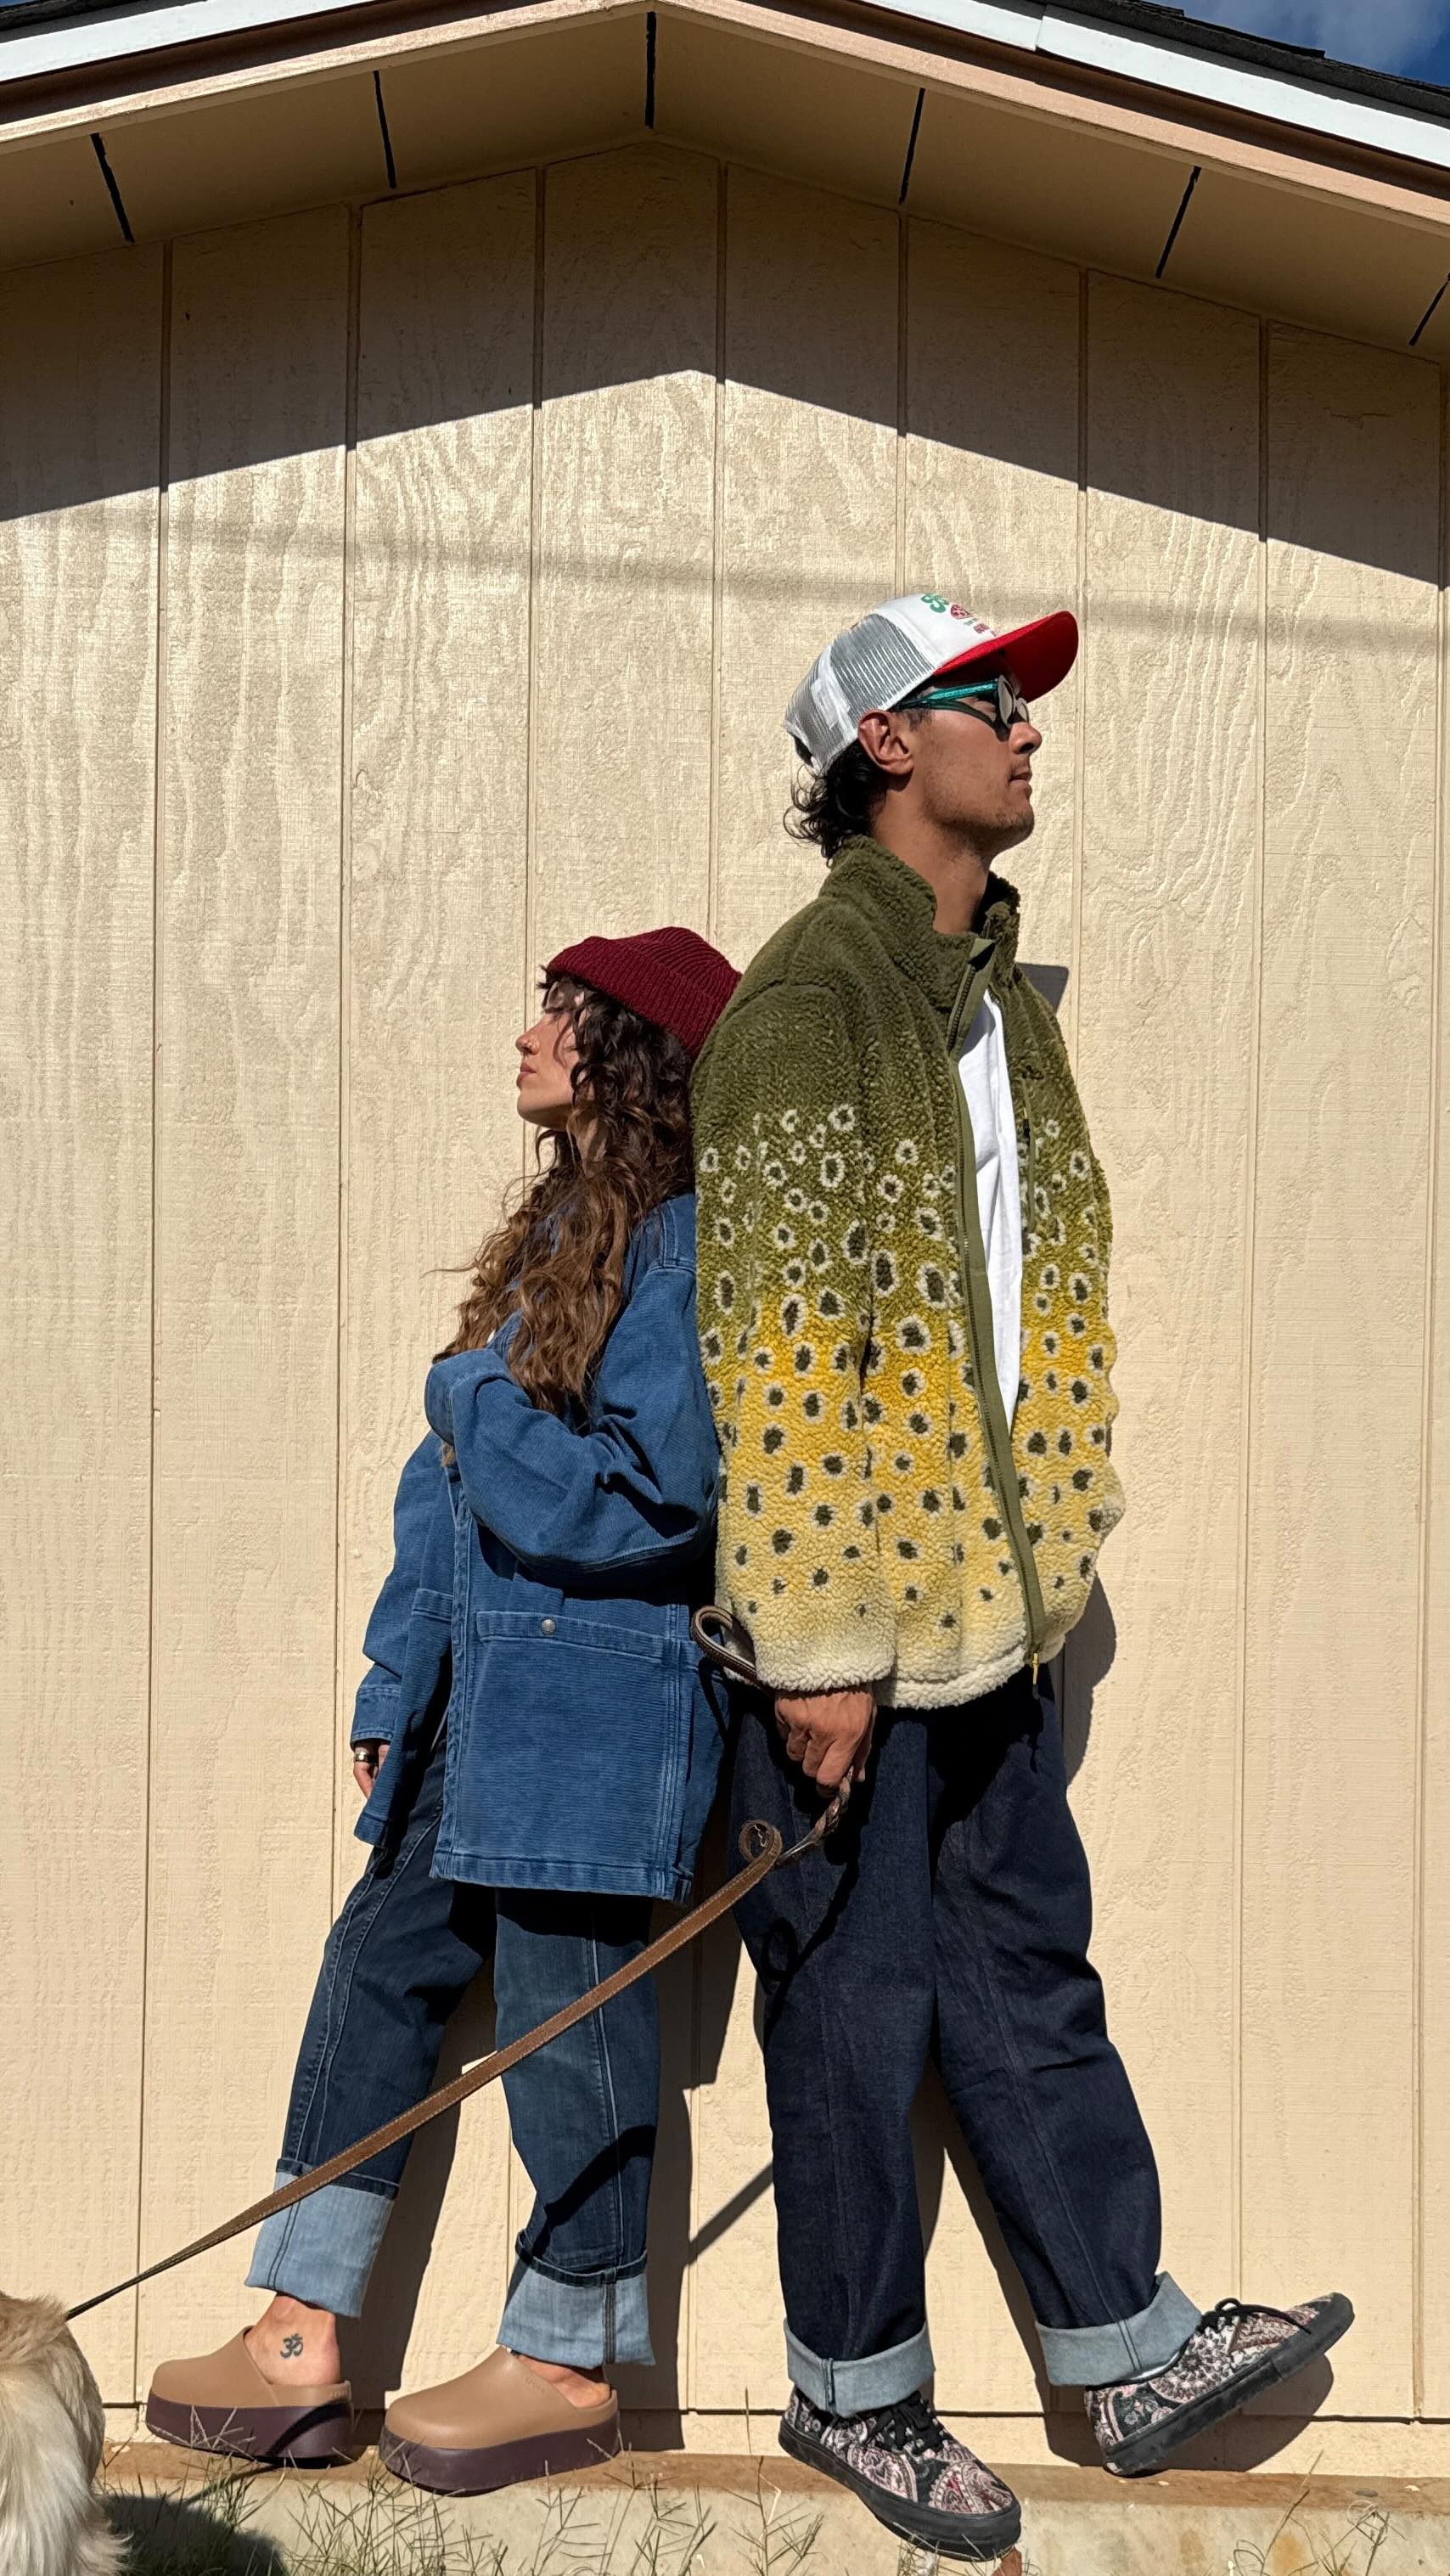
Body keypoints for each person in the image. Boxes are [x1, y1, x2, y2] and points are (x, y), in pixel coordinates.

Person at [688, 593, 1352, 2561]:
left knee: (1019, 1959)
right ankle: (850, 2386)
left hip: (983, 1613)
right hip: (848, 1625)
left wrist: (1040, 1560)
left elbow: (1022, 1302)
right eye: (990, 698)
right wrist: (816, 1640)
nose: (1027, 728)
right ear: (887, 744)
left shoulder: (990, 1006)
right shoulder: (807, 1001)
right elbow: (778, 1338)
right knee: (854, 2004)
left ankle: (1118, 2345)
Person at [147, 925, 739, 2497]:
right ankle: (298, 2333)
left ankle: (567, 2354)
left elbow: (652, 1495)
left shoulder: (676, 1245)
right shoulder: (556, 1237)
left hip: (591, 1710)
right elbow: (448, 1497)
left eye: (567, 1012)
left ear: (635, 1057)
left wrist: (469, 1392)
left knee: (565, 2010)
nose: (532, 1032)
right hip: (474, 1704)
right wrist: (395, 1674)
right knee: (375, 1967)